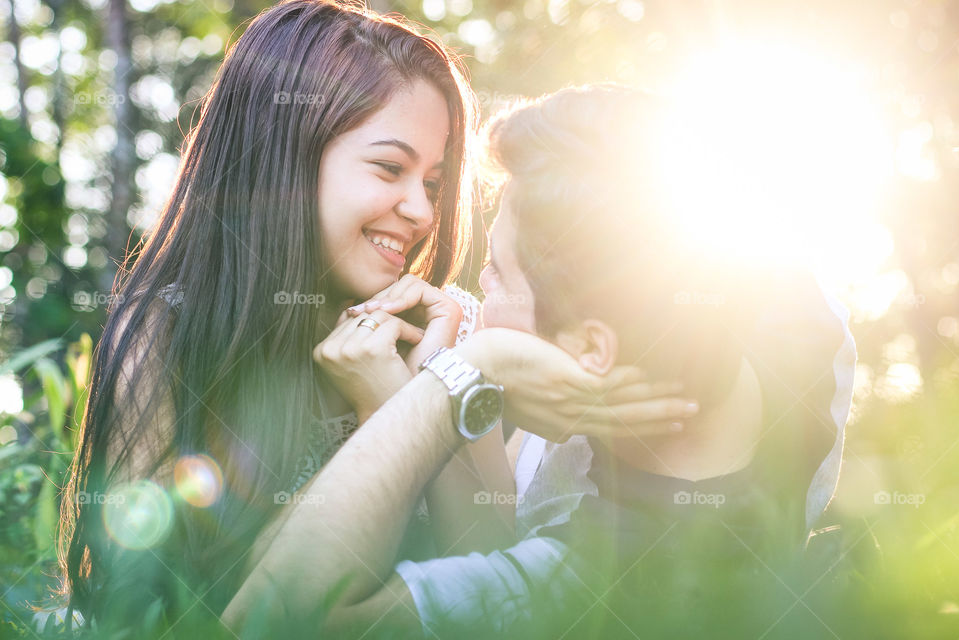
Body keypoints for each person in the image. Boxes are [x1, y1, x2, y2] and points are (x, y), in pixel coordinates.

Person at [53, 4, 689, 635]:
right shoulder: (170, 337)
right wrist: (379, 425)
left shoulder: (451, 332)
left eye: (435, 184)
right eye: (390, 168)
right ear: (285, 162)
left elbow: (492, 559)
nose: (419, 210)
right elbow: (172, 613)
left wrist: (415, 392)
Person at [221, 85, 855, 638]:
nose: (476, 294)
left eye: (496, 275)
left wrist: (446, 383)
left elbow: (269, 618)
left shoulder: (578, 582)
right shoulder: (804, 323)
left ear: (591, 350)